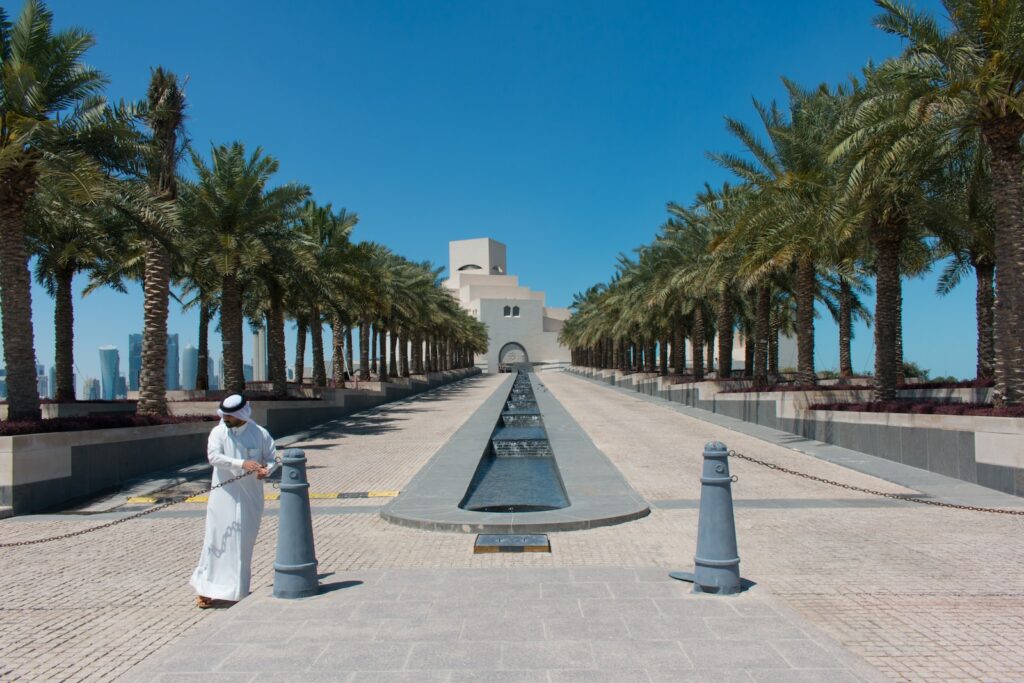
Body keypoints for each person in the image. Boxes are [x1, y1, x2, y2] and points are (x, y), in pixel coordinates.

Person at [190, 394, 277, 608]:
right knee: (215, 541)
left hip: (250, 498)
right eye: (224, 415)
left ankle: (237, 591)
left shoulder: (260, 434)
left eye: (229, 416)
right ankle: (206, 589)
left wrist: (267, 470)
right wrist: (241, 463)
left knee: (242, 544)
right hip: (223, 497)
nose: (225, 419)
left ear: (241, 414)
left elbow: (273, 458)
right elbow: (214, 458)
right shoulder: (218, 433)